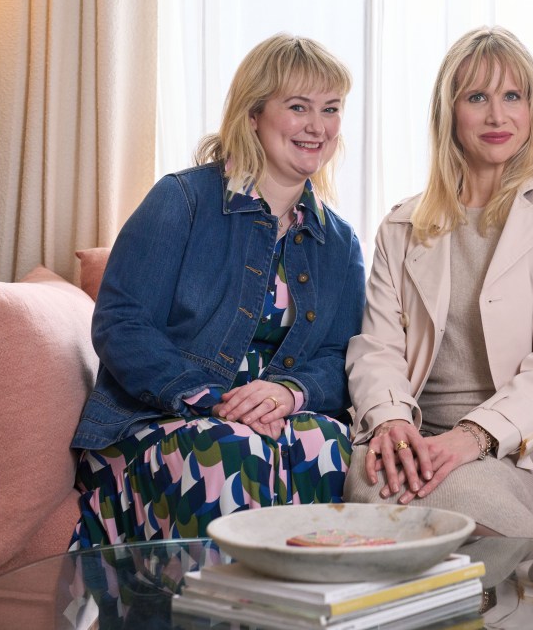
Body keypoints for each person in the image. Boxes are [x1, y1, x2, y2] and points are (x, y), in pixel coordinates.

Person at [69, 34, 366, 547]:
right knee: (230, 451)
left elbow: (343, 354)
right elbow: (122, 323)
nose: (318, 126)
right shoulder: (181, 200)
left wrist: (288, 393)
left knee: (335, 445)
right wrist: (210, 399)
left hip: (275, 421)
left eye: (331, 109)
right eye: (298, 107)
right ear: (253, 114)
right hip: (160, 419)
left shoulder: (338, 241)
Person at [344, 26, 533, 540]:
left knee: (461, 502)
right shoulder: (402, 225)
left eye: (513, 96)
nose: (497, 115)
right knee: (374, 487)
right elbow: (377, 349)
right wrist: (391, 423)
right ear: (450, 112)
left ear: (532, 110)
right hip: (416, 437)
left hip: (522, 446)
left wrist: (474, 436)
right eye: (477, 97)